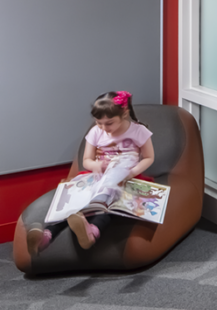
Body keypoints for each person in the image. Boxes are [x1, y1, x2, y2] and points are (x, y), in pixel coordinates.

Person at [28, 91, 155, 254]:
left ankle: (92, 232)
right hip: (98, 175)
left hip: (126, 177)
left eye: (109, 123)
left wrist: (132, 172)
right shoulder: (96, 131)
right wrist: (97, 165)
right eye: (99, 123)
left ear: (124, 114)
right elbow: (87, 160)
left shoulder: (138, 131)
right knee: (74, 203)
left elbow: (149, 157)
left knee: (110, 202)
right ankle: (46, 236)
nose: (103, 128)